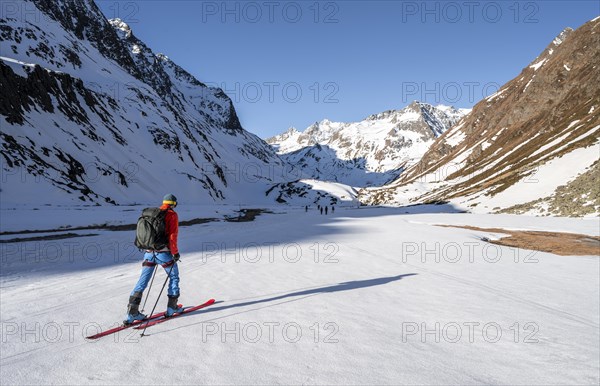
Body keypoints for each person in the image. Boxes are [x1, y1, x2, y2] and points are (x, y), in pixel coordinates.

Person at [125, 193, 184, 324]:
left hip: (148, 253)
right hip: (163, 253)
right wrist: (175, 253)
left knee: (142, 281)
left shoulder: (152, 214)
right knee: (174, 276)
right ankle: (172, 307)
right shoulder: (171, 215)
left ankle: (132, 313)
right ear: (173, 204)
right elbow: (172, 236)